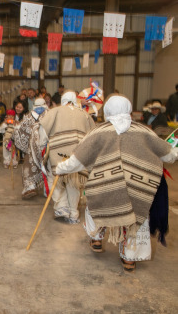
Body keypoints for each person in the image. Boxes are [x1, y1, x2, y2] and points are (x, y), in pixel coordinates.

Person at [56, 95, 178, 272]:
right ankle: (129, 258)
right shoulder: (144, 132)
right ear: (128, 109)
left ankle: (96, 237)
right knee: (136, 217)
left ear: (107, 111)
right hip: (138, 188)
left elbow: (78, 159)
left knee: (95, 203)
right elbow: (168, 155)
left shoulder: (98, 132)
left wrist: (61, 168)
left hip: (106, 185)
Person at [40, 91, 96, 223]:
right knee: (73, 181)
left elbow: (43, 132)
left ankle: (62, 208)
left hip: (57, 152)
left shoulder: (55, 111)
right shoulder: (85, 114)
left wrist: (42, 148)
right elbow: (93, 135)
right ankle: (74, 213)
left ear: (63, 100)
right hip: (78, 154)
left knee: (55, 179)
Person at [14, 98, 49, 199]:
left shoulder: (28, 117)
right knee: (48, 167)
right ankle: (48, 189)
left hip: (34, 149)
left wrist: (16, 130)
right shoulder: (50, 114)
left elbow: (20, 132)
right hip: (47, 147)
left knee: (28, 165)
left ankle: (30, 187)